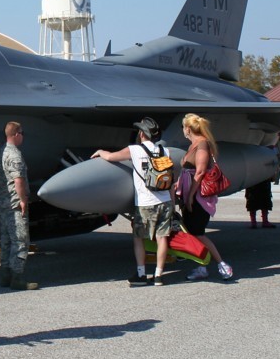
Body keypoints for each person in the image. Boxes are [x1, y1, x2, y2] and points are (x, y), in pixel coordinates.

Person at [91, 117, 178, 285]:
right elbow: (171, 181)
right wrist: (173, 203)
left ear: (141, 133)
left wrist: (101, 151)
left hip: (145, 203)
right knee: (162, 238)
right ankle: (159, 275)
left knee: (139, 239)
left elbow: (111, 157)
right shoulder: (164, 151)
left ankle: (141, 274)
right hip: (165, 201)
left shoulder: (135, 150)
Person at [175, 113, 234, 281]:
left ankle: (222, 264)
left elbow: (200, 172)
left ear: (188, 128)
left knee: (198, 233)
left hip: (199, 197)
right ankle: (201, 266)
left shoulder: (202, 145)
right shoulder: (194, 144)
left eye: (183, 128)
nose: (183, 131)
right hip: (190, 195)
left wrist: (191, 196)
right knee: (192, 232)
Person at [0, 121, 36, 290]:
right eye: (22, 133)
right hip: (15, 203)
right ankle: (17, 278)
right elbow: (19, 180)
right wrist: (23, 200)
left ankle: (5, 276)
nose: (23, 136)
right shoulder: (15, 155)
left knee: (6, 240)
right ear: (16, 134)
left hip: (3, 200)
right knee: (20, 240)